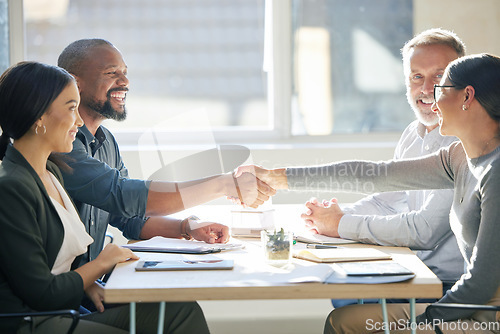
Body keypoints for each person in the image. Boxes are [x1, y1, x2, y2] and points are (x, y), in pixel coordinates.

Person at [237, 53, 500, 332]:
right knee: (341, 321)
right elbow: (373, 174)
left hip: (486, 314)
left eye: (440, 89)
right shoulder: (458, 156)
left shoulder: (495, 172)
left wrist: (420, 321)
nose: (433, 103)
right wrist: (277, 177)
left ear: (467, 96)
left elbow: (480, 281)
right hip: (469, 306)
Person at [0, 61, 210, 333]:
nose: (78, 121)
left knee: (180, 309)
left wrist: (89, 283)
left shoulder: (51, 172)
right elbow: (43, 292)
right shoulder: (12, 188)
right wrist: (101, 264)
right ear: (39, 117)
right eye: (71, 108)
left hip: (64, 307)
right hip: (33, 322)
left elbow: (58, 261)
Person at [55, 38, 275, 266]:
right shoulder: (63, 145)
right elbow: (122, 196)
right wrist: (224, 184)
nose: (125, 82)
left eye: (125, 73)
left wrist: (187, 227)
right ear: (75, 83)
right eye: (112, 73)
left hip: (92, 287)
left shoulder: (106, 141)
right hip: (68, 292)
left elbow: (128, 217)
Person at [303, 28, 465, 307]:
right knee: (340, 290)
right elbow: (388, 202)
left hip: (449, 286)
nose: (426, 89)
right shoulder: (413, 134)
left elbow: (425, 231)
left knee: (346, 302)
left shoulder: (463, 142)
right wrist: (328, 216)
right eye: (417, 77)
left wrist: (341, 224)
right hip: (417, 269)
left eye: (439, 76)